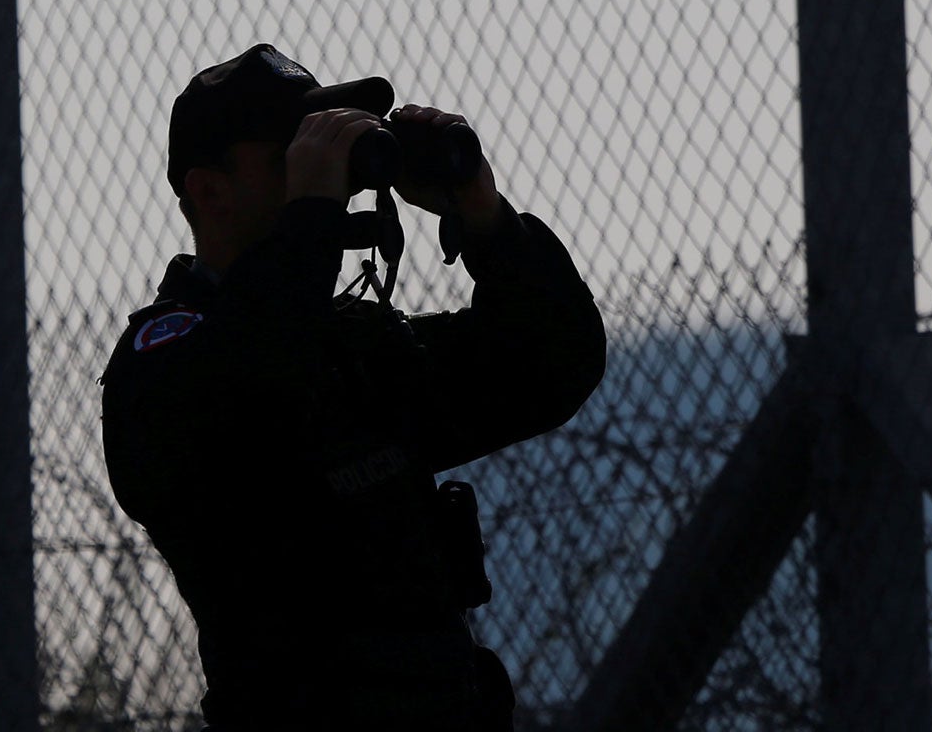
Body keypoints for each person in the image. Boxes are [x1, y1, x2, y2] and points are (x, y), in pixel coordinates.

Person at [99, 44, 607, 732]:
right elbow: (251, 391)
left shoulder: (355, 350)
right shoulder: (164, 363)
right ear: (208, 190)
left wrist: (486, 218)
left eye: (327, 142)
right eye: (293, 153)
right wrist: (310, 222)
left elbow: (553, 364)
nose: (324, 171)